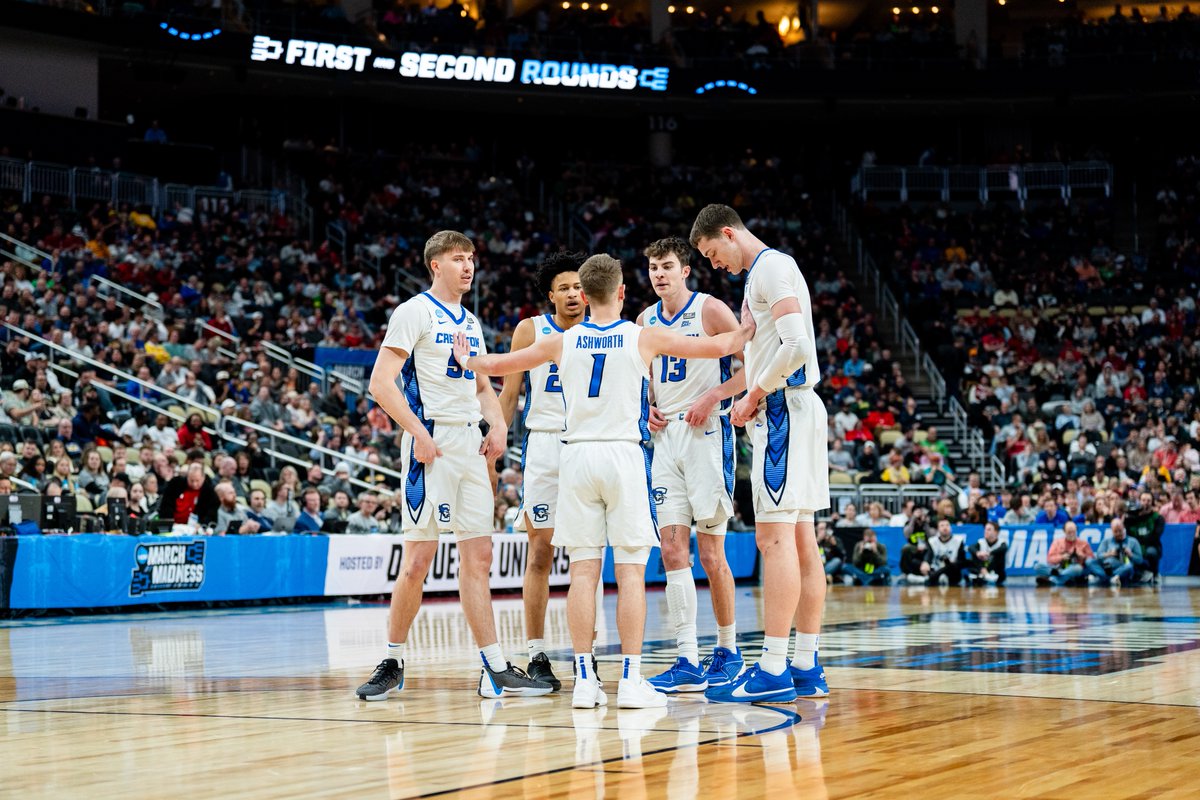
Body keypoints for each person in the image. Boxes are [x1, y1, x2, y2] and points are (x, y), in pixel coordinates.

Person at [451, 253, 751, 709]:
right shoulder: (642, 335)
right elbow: (716, 348)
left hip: (575, 458)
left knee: (582, 572)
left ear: (585, 296)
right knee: (630, 573)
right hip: (622, 455)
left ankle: (585, 681)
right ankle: (630, 681)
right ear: (623, 293)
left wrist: (465, 357)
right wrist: (748, 328)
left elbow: (500, 364)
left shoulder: (562, 342)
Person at [354, 230, 552, 703]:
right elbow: (381, 384)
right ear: (435, 265)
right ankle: (392, 659)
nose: (468, 267)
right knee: (419, 559)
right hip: (432, 439)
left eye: (472, 259)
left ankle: (495, 668)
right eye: (458, 259)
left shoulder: (472, 321)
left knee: (478, 559)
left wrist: (498, 426)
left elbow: (483, 387)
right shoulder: (413, 312)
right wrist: (418, 434)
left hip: (469, 441)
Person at [691, 204, 830, 703]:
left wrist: (753, 395)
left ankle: (772, 668)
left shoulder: (769, 268)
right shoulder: (770, 272)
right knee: (800, 540)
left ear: (729, 234)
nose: (714, 265)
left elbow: (794, 346)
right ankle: (805, 663)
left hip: (785, 411)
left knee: (776, 543)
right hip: (799, 408)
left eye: (712, 253)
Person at [635, 237, 747, 695]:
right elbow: (645, 384)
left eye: (666, 266)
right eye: (653, 268)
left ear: (686, 270)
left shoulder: (711, 310)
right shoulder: (643, 321)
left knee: (711, 551)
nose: (659, 274)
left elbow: (752, 367)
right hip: (666, 439)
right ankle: (686, 657)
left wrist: (715, 395)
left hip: (707, 434)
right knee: (671, 550)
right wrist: (648, 409)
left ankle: (729, 650)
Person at [496, 251, 588, 691]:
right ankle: (536, 654)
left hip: (589, 445)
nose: (573, 294)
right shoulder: (531, 330)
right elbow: (510, 393)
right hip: (545, 445)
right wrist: (493, 442)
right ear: (550, 294)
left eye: (579, 287)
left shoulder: (603, 330)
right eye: (565, 287)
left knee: (586, 557)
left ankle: (585, 660)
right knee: (540, 553)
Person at [158, 462, 219, 529]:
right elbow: (166, 505)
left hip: (197, 528)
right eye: (191, 480)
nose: (194, 484)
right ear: (187, 476)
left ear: (203, 478)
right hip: (174, 526)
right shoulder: (175, 484)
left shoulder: (209, 491)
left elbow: (211, 513)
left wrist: (202, 524)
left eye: (197, 481)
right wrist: (170, 523)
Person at [1034, 521, 1096, 586]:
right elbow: (1050, 559)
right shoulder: (1057, 542)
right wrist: (1061, 557)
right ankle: (1061, 576)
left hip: (1074, 568)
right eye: (1069, 532)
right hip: (1059, 567)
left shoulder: (1084, 543)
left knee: (1078, 568)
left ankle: (1053, 580)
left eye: (1073, 532)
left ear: (1076, 531)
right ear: (1064, 531)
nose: (1071, 534)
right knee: (1037, 566)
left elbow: (1092, 560)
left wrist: (1082, 556)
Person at [965, 521, 1008, 585]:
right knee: (974, 554)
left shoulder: (1002, 543)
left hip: (996, 570)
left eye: (989, 529)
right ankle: (983, 573)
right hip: (983, 567)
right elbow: (970, 547)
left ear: (996, 532)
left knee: (999, 555)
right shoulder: (981, 541)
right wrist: (978, 553)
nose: (986, 531)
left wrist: (989, 553)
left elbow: (1003, 549)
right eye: (985, 529)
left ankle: (986, 574)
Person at [926, 519, 965, 586]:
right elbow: (929, 558)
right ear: (938, 529)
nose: (945, 528)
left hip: (952, 571)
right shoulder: (932, 541)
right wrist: (925, 563)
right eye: (942, 525)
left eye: (947, 525)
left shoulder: (958, 541)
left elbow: (961, 561)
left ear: (951, 528)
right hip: (936, 569)